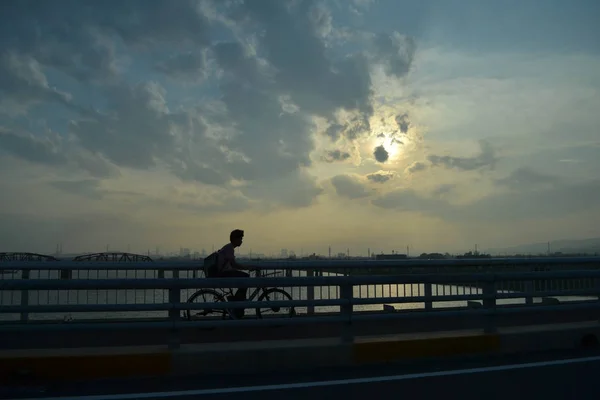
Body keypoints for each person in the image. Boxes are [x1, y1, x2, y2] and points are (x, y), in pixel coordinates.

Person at [215, 229, 254, 318]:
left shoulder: (228, 247)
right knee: (246, 277)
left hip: (224, 272)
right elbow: (234, 264)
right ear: (235, 239)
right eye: (240, 239)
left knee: (243, 278)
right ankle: (237, 302)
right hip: (224, 273)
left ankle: (236, 301)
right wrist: (247, 268)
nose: (241, 241)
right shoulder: (229, 248)